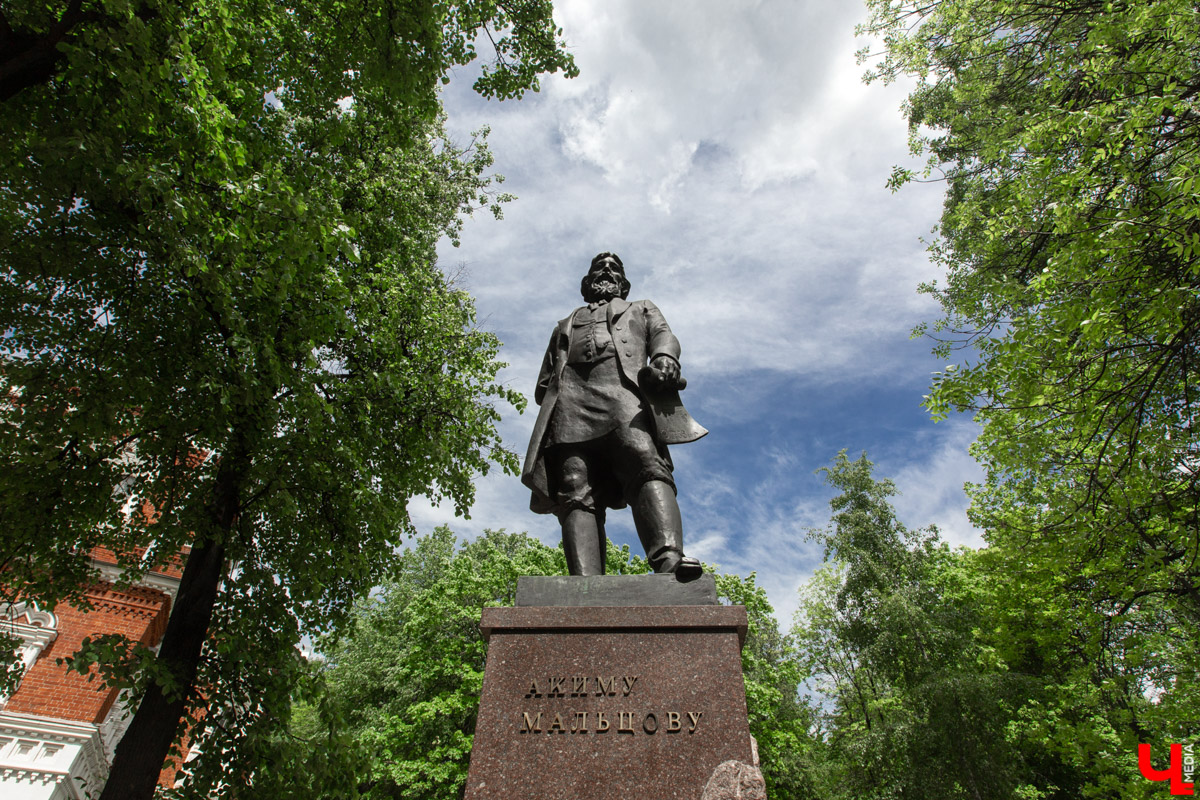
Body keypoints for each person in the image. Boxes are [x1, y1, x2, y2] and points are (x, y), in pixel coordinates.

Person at [522, 252, 704, 577]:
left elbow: (663, 334)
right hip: (570, 406)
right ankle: (585, 582)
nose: (606, 270)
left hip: (624, 396)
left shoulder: (642, 308)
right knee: (574, 483)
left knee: (645, 460)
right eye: (599, 267)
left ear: (624, 282)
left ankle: (669, 561)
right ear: (586, 283)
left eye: (614, 267)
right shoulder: (564, 324)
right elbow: (544, 384)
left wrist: (665, 357)